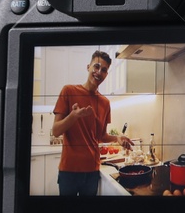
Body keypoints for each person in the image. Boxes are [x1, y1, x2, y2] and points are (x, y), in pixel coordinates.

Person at [52, 50, 130, 196]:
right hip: (69, 170)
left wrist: (117, 138)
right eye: (96, 67)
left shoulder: (105, 103)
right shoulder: (69, 91)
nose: (99, 72)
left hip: (92, 171)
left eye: (104, 70)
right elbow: (56, 131)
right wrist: (73, 116)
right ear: (88, 67)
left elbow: (101, 136)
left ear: (106, 75)